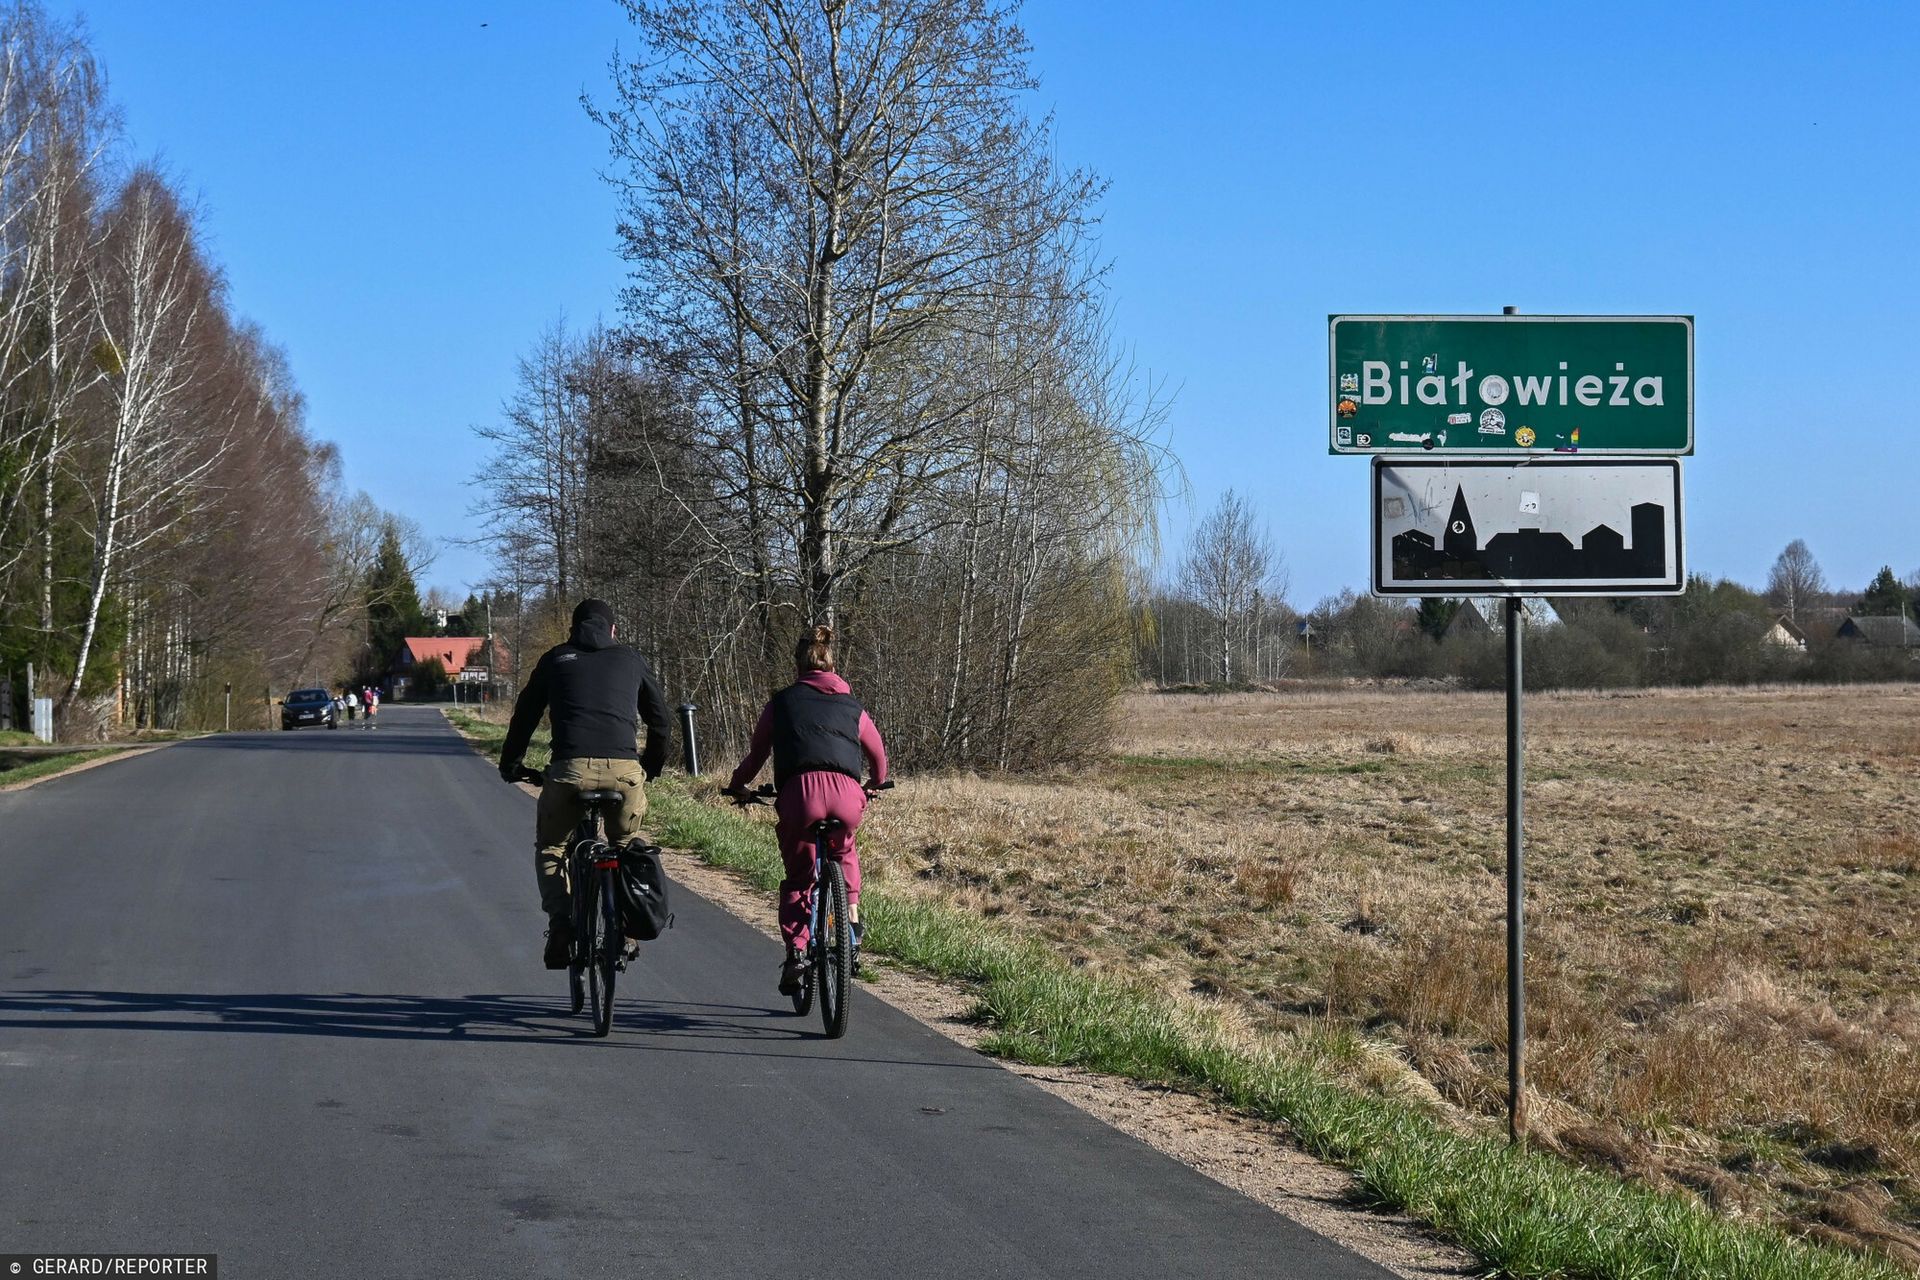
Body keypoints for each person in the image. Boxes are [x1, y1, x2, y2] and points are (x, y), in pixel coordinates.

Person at [499, 598, 674, 968]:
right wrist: (650, 767)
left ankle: (561, 925)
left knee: (552, 847)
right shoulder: (631, 659)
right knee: (625, 847)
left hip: (569, 771)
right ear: (613, 629)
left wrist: (511, 764)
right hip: (624, 772)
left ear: (573, 629)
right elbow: (661, 720)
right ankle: (624, 928)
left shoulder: (555, 658)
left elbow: (524, 715)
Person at [724, 625, 888, 995]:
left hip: (800, 796)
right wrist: (874, 785)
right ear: (832, 666)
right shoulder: (853, 707)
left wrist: (738, 785)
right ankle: (851, 930)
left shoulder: (781, 704)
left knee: (800, 878)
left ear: (798, 666)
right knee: (844, 851)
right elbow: (878, 757)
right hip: (847, 796)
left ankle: (797, 952)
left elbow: (756, 756)